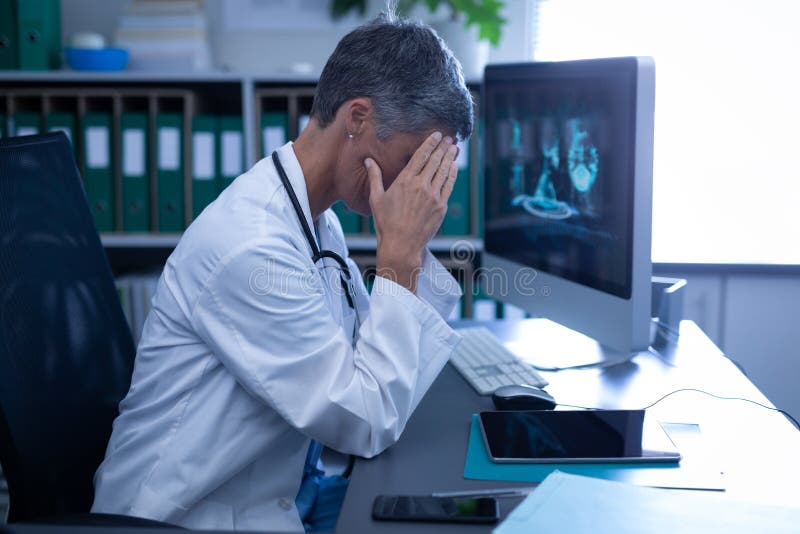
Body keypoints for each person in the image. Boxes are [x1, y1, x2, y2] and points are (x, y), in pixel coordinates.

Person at [91, 11, 473, 532]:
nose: (421, 190)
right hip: (186, 518)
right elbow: (366, 418)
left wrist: (408, 251)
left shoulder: (317, 221)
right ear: (357, 118)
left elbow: (374, 370)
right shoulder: (250, 245)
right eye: (415, 162)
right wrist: (400, 255)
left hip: (286, 491)